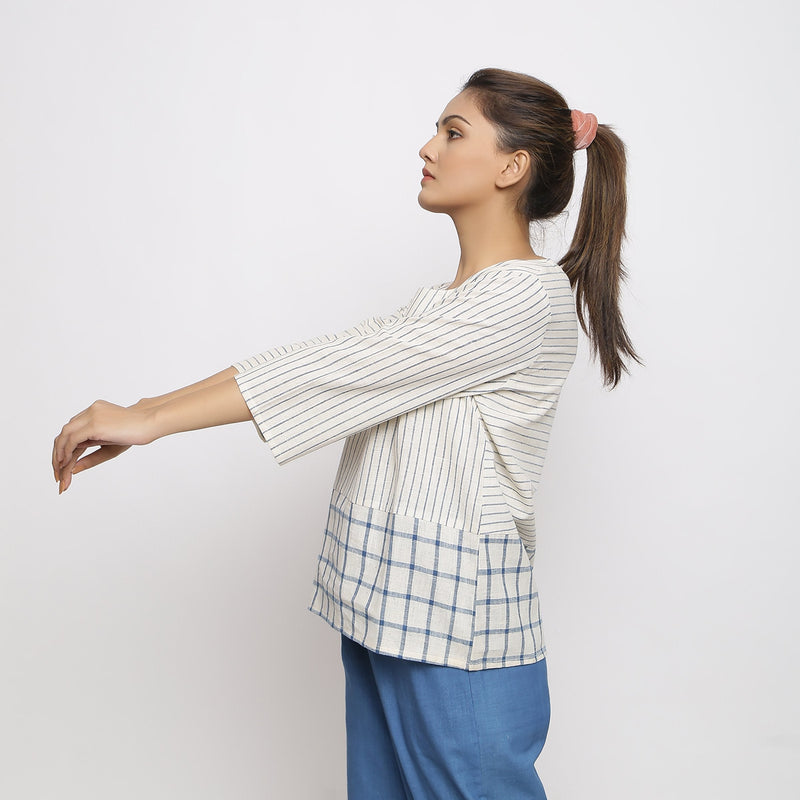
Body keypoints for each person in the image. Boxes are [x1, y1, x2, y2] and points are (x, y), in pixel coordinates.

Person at [52, 67, 639, 799]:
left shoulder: (523, 301)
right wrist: (145, 407)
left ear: (512, 167)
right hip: (389, 603)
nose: (428, 146)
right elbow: (335, 360)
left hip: (458, 632)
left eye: (454, 133)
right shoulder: (450, 302)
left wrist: (147, 420)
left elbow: (333, 370)